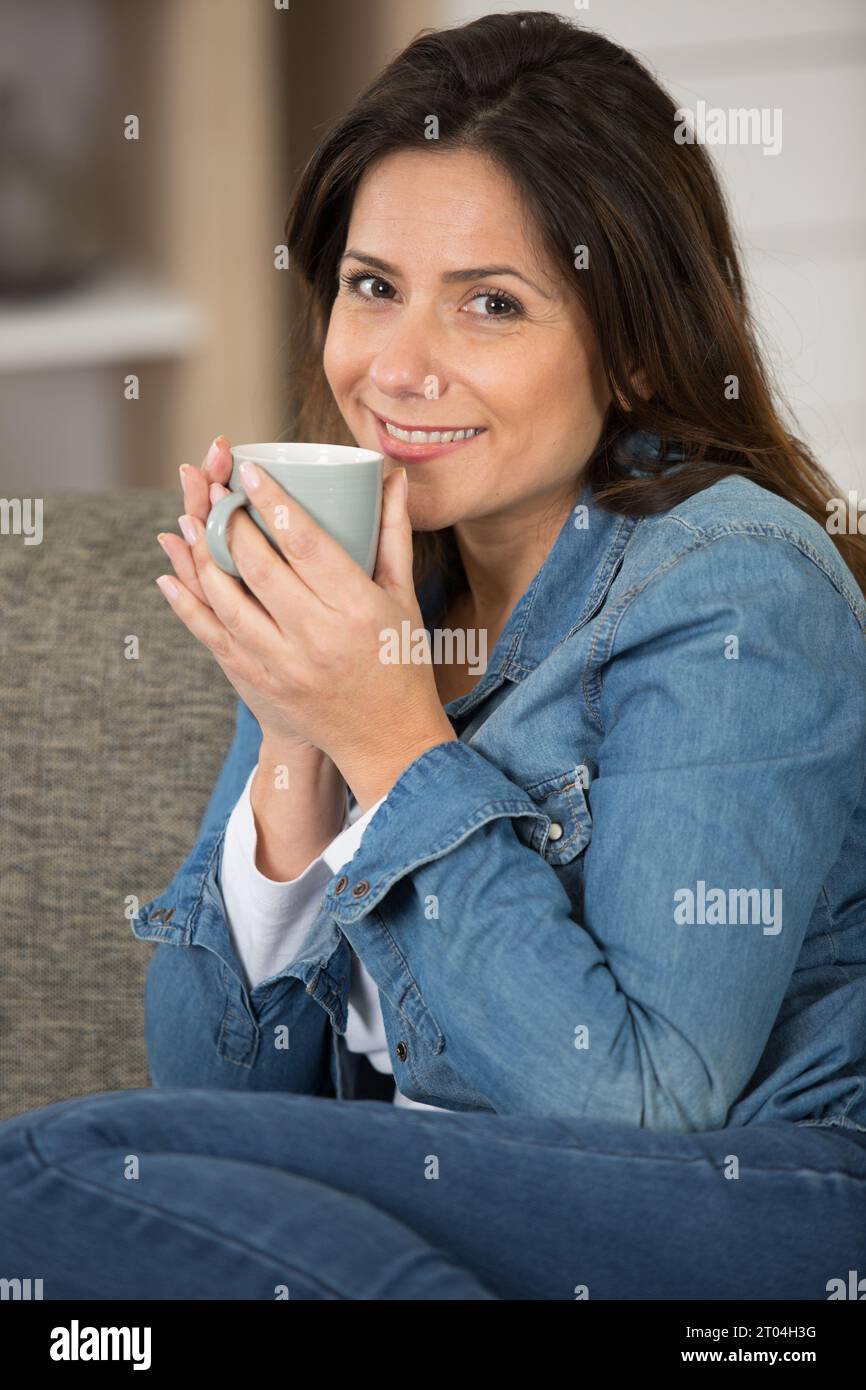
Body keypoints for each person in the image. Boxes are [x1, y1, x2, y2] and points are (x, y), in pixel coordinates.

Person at [2, 10, 865, 1300]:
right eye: (372, 286)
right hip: (477, 1227)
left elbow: (637, 1108)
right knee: (123, 1222)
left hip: (750, 1224)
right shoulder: (369, 572)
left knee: (55, 1173)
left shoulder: (732, 583)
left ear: (629, 344)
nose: (398, 369)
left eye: (494, 305)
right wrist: (296, 731)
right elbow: (222, 1087)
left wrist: (388, 733)